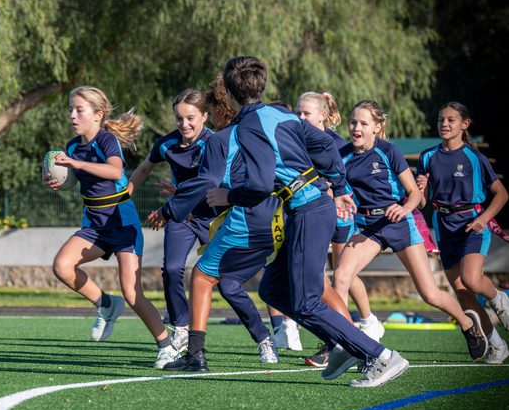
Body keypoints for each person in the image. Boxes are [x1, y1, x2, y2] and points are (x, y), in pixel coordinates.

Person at [213, 56, 408, 387]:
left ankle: (382, 356)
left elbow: (260, 185)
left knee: (306, 302)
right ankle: (343, 345)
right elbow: (326, 144)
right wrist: (340, 187)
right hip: (309, 208)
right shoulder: (281, 114)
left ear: (229, 95)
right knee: (273, 288)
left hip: (309, 212)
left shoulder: (247, 126)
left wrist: (229, 196)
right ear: (261, 85)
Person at [130, 86, 278, 364]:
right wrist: (124, 194)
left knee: (229, 285)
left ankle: (264, 339)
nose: (184, 124)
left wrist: (180, 197)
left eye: (190, 118)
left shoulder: (216, 142)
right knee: (171, 269)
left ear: (205, 117)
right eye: (179, 118)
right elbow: (145, 167)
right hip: (183, 219)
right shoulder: (166, 144)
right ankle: (181, 329)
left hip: (214, 219)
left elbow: (218, 180)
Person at [333, 99, 489, 362]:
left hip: (399, 224)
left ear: (376, 127)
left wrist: (404, 209)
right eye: (353, 122)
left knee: (429, 294)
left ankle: (467, 324)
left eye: (363, 123)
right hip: (368, 227)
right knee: (340, 276)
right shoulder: (343, 155)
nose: (356, 128)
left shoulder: (388, 151)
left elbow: (415, 193)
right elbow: (333, 188)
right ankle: (343, 342)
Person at [47, 86, 180, 368]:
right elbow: (78, 179)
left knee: (132, 292)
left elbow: (114, 171)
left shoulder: (107, 140)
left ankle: (166, 346)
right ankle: (106, 304)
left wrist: (76, 163)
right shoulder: (73, 146)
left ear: (98, 115)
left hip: (122, 223)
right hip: (94, 225)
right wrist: (60, 181)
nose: (72, 115)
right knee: (62, 266)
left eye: (79, 110)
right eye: (71, 109)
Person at [416, 101, 509, 364]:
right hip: (444, 227)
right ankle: (497, 345)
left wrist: (484, 219)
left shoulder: (474, 157)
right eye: (441, 119)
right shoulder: (427, 157)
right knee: (462, 292)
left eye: (451, 120)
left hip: (472, 224)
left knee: (471, 279)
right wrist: (421, 187)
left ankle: (500, 299)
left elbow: (502, 194)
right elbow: (421, 203)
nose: (444, 124)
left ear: (464, 124)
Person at [295, 91, 377, 367]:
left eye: (306, 113)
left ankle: (353, 333)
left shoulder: (335, 144)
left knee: (340, 276)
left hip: (337, 216)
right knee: (330, 278)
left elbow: (344, 182)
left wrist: (331, 192)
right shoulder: (295, 140)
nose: (301, 118)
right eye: (298, 113)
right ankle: (352, 333)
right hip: (310, 214)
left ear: (323, 116)